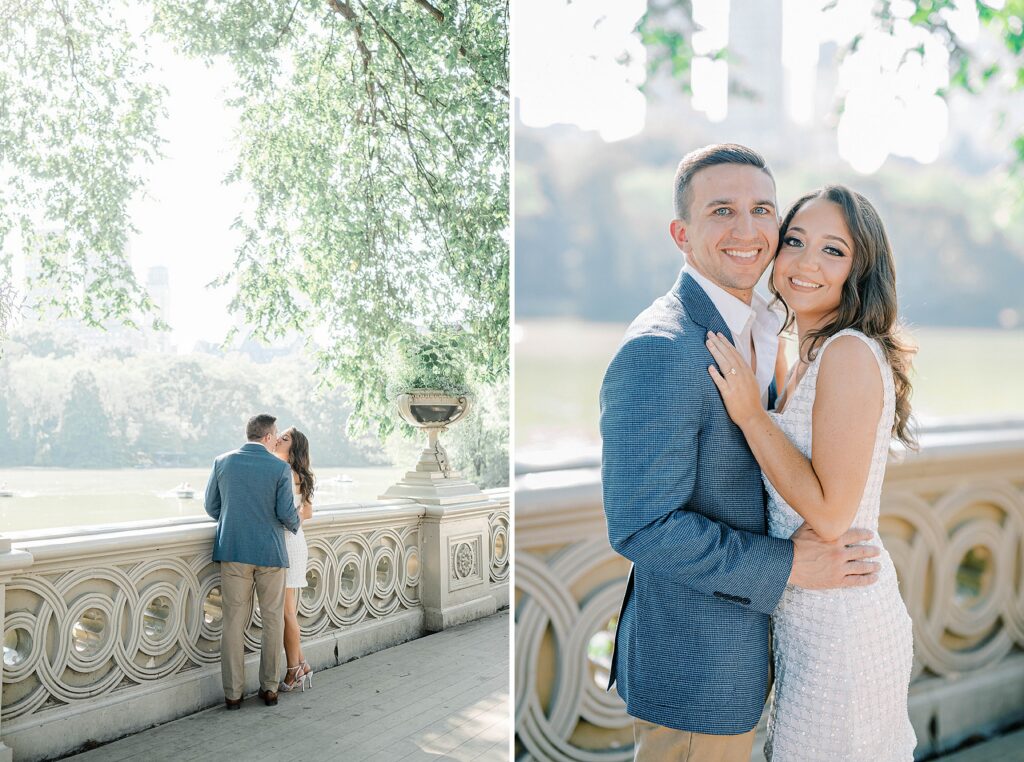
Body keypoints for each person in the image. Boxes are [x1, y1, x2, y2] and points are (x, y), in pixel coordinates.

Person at [600, 143, 883, 761]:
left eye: (761, 210)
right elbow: (642, 527)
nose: (747, 230)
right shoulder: (660, 348)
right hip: (697, 665)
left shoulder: (767, 326)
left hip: (773, 654)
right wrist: (788, 566)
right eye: (722, 210)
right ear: (682, 234)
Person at [705, 185, 916, 759]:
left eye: (833, 251)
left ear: (860, 270)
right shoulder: (805, 355)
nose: (805, 263)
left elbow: (830, 515)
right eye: (795, 241)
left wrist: (752, 416)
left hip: (843, 623)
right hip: (808, 612)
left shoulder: (848, 352)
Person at [204, 413, 300, 709]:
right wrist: (296, 524)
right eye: (275, 436)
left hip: (233, 550)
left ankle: (232, 695)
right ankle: (269, 689)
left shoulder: (222, 462)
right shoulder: (279, 468)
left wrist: (237, 520)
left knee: (233, 621)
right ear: (268, 436)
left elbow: (211, 506)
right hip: (270, 552)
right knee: (272, 620)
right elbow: (286, 513)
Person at [272, 426, 315, 692]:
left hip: (287, 543)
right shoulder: (299, 473)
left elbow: (296, 514)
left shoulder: (285, 473)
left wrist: (289, 523)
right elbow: (307, 513)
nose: (278, 439)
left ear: (293, 447)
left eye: (284, 438)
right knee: (287, 611)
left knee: (287, 613)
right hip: (295, 541)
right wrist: (294, 522)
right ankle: (301, 665)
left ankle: (293, 671)